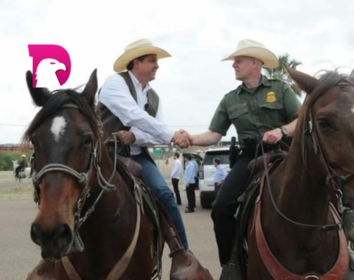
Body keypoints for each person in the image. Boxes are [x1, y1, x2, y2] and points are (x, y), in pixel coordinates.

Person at [185, 39, 301, 266]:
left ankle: (342, 251)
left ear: (255, 63)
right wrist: (191, 139)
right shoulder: (230, 99)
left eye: (238, 61)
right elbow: (214, 134)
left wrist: (282, 130)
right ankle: (231, 265)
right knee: (220, 208)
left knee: (324, 191)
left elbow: (302, 118)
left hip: (285, 153)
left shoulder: (280, 89)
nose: (233, 65)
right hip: (249, 158)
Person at [98, 38, 191, 249]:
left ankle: (183, 254)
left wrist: (135, 137)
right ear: (136, 62)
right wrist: (172, 134)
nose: (157, 65)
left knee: (164, 194)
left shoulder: (154, 97)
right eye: (152, 60)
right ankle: (54, 259)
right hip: (106, 154)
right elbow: (133, 115)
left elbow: (157, 133)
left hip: (138, 156)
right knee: (73, 191)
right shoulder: (115, 83)